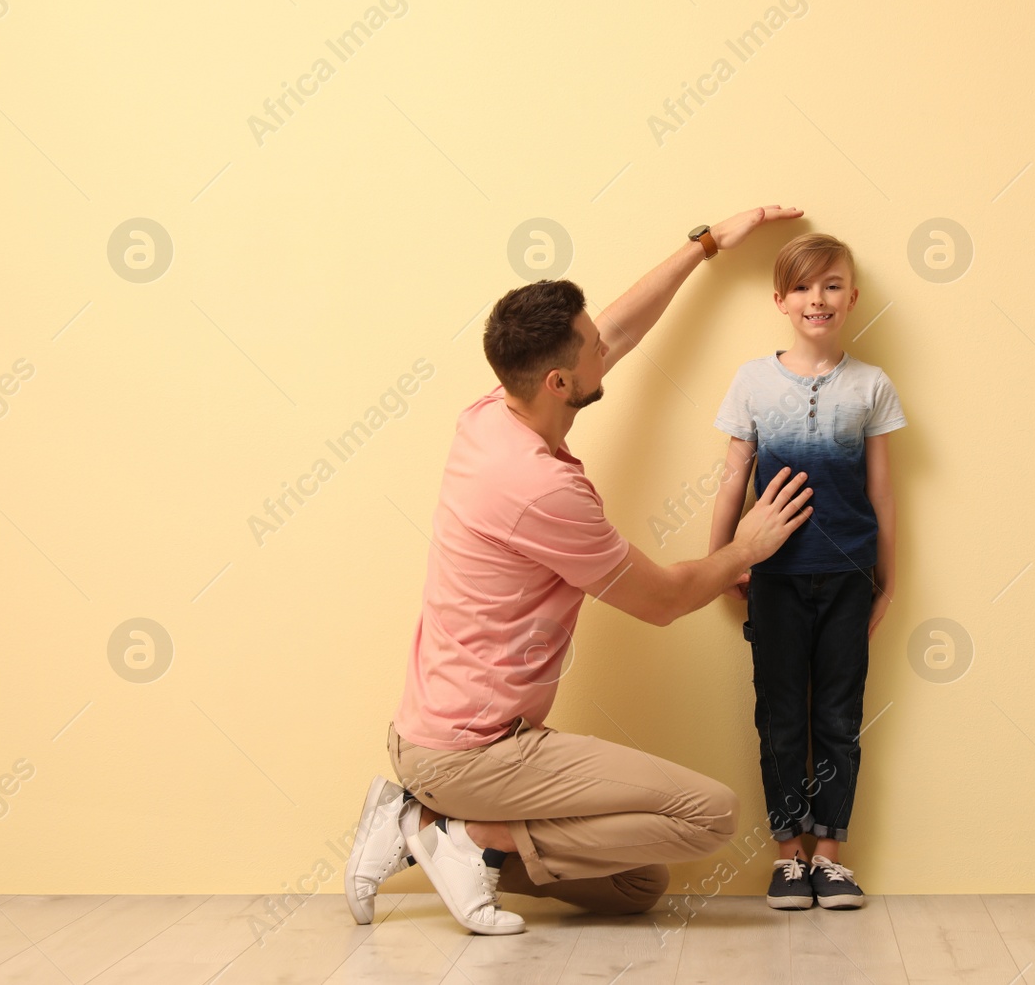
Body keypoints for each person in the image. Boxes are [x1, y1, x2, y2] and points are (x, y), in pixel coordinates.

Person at [341, 207, 818, 935]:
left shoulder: (491, 413)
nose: (609, 346)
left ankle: (424, 819)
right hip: (478, 749)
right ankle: (466, 834)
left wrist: (702, 246)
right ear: (562, 381)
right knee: (707, 815)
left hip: (431, 739)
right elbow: (661, 600)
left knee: (634, 883)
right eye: (594, 347)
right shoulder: (540, 490)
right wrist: (744, 549)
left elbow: (617, 330)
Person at [708, 232, 905, 911]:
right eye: (802, 287)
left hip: (849, 576)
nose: (816, 299)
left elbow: (882, 492)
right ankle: (788, 855)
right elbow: (733, 477)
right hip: (775, 577)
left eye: (830, 285)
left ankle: (831, 854)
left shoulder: (872, 385)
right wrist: (720, 563)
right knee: (782, 715)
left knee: (839, 718)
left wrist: (889, 578)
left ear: (851, 296)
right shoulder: (752, 380)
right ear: (780, 299)